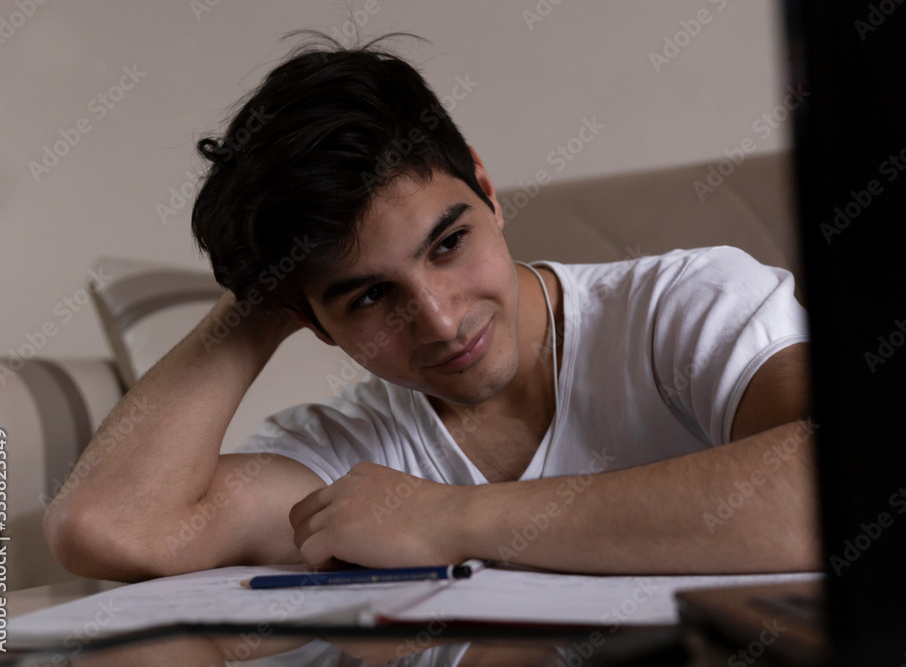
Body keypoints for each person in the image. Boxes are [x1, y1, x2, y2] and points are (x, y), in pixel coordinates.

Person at [43, 31, 820, 582]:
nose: (442, 320)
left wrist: (451, 520)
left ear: (484, 184)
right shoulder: (355, 454)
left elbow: (834, 490)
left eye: (447, 245)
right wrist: (264, 292)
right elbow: (108, 525)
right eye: (372, 296)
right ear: (314, 322)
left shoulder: (682, 306)